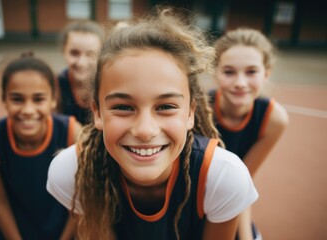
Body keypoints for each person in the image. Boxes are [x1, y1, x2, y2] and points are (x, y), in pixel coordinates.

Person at [47, 7, 259, 240]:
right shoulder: (72, 173)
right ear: (97, 113)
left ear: (190, 113)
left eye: (166, 107)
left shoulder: (222, 177)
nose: (145, 131)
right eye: (123, 107)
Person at [0, 54, 82, 239]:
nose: (28, 110)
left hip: (61, 232)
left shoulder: (72, 133)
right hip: (12, 231)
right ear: (4, 99)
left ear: (53, 100)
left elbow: (80, 201)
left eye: (38, 99)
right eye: (17, 99)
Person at [209, 28, 289, 240]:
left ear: (266, 74)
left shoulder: (274, 119)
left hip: (231, 195)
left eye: (251, 72)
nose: (240, 83)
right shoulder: (198, 110)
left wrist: (244, 236)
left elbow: (243, 182)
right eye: (229, 72)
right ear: (215, 72)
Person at [57, 20, 104, 125]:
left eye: (91, 54)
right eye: (74, 53)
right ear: (64, 51)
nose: (81, 63)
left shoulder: (109, 86)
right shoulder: (55, 87)